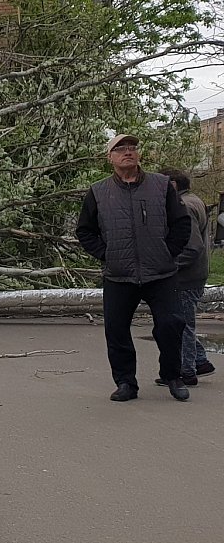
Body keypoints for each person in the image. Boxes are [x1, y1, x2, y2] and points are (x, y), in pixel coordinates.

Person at [75, 133, 192, 402]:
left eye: (132, 148)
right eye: (120, 149)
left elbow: (181, 224)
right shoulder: (98, 191)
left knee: (171, 324)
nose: (127, 152)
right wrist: (107, 255)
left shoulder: (162, 186)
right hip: (119, 274)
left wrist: (166, 252)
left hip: (160, 273)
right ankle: (126, 383)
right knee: (116, 329)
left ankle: (173, 376)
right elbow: (85, 231)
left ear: (138, 155)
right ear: (110, 158)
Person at [157, 167, 216, 386]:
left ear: (172, 185)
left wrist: (167, 265)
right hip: (194, 274)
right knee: (183, 321)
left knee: (182, 324)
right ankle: (200, 361)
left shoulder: (185, 206)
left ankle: (186, 372)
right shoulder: (193, 199)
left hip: (185, 277)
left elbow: (192, 248)